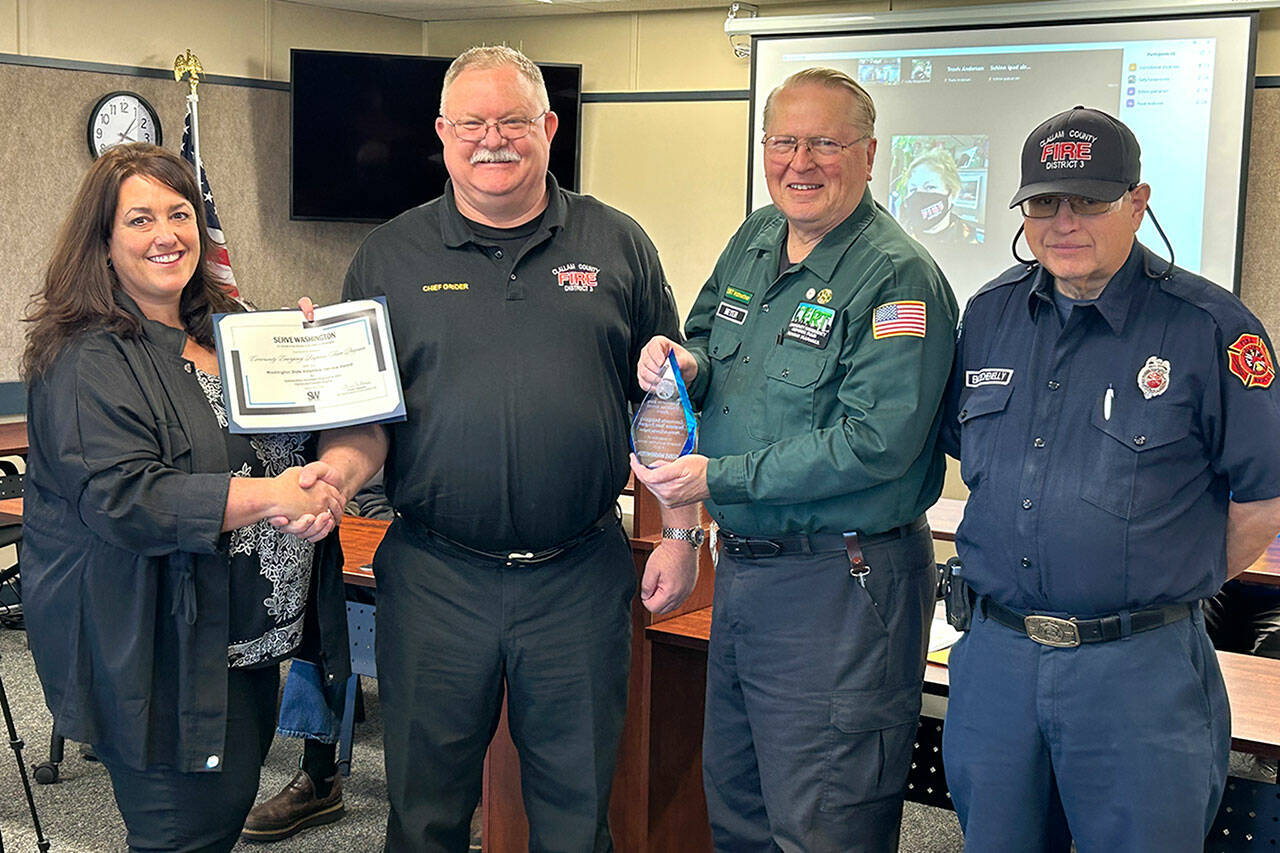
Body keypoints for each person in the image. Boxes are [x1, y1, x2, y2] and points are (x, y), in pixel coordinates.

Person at [279, 45, 699, 852]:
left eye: (512, 120)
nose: (492, 139)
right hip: (436, 577)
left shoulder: (618, 245)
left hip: (578, 576)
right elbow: (364, 422)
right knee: (426, 814)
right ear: (442, 133)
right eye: (471, 123)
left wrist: (681, 533)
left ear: (548, 126)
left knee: (577, 818)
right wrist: (335, 471)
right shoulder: (388, 258)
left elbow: (664, 408)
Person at [632, 67, 957, 852]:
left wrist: (719, 479)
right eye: (783, 140)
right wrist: (683, 359)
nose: (799, 161)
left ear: (870, 154)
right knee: (739, 809)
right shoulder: (755, 238)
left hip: (841, 586)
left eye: (824, 142)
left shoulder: (895, 277)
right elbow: (710, 340)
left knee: (824, 823)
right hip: (747, 572)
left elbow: (874, 443)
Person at [939, 106, 1280, 851]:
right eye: (1043, 202)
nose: (1063, 221)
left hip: (1137, 673)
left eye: (1089, 200)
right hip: (998, 661)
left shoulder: (1210, 328)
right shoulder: (990, 315)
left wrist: (1154, 582)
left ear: (1138, 200)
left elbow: (1263, 502)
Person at [20, 143, 351, 852]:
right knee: (183, 833)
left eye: (179, 213)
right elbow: (127, 497)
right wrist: (270, 496)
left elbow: (293, 437)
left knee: (217, 818)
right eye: (139, 218)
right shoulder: (85, 357)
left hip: (252, 643)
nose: (166, 233)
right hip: (166, 653)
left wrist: (314, 350)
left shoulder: (228, 330)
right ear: (103, 242)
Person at [242, 479, 390, 844]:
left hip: (454, 558)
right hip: (382, 533)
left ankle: (480, 787)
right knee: (324, 611)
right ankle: (319, 775)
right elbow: (369, 491)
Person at [898, 149, 977, 245]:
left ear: (953, 194)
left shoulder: (968, 240)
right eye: (913, 189)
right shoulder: (898, 236)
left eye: (929, 187)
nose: (919, 196)